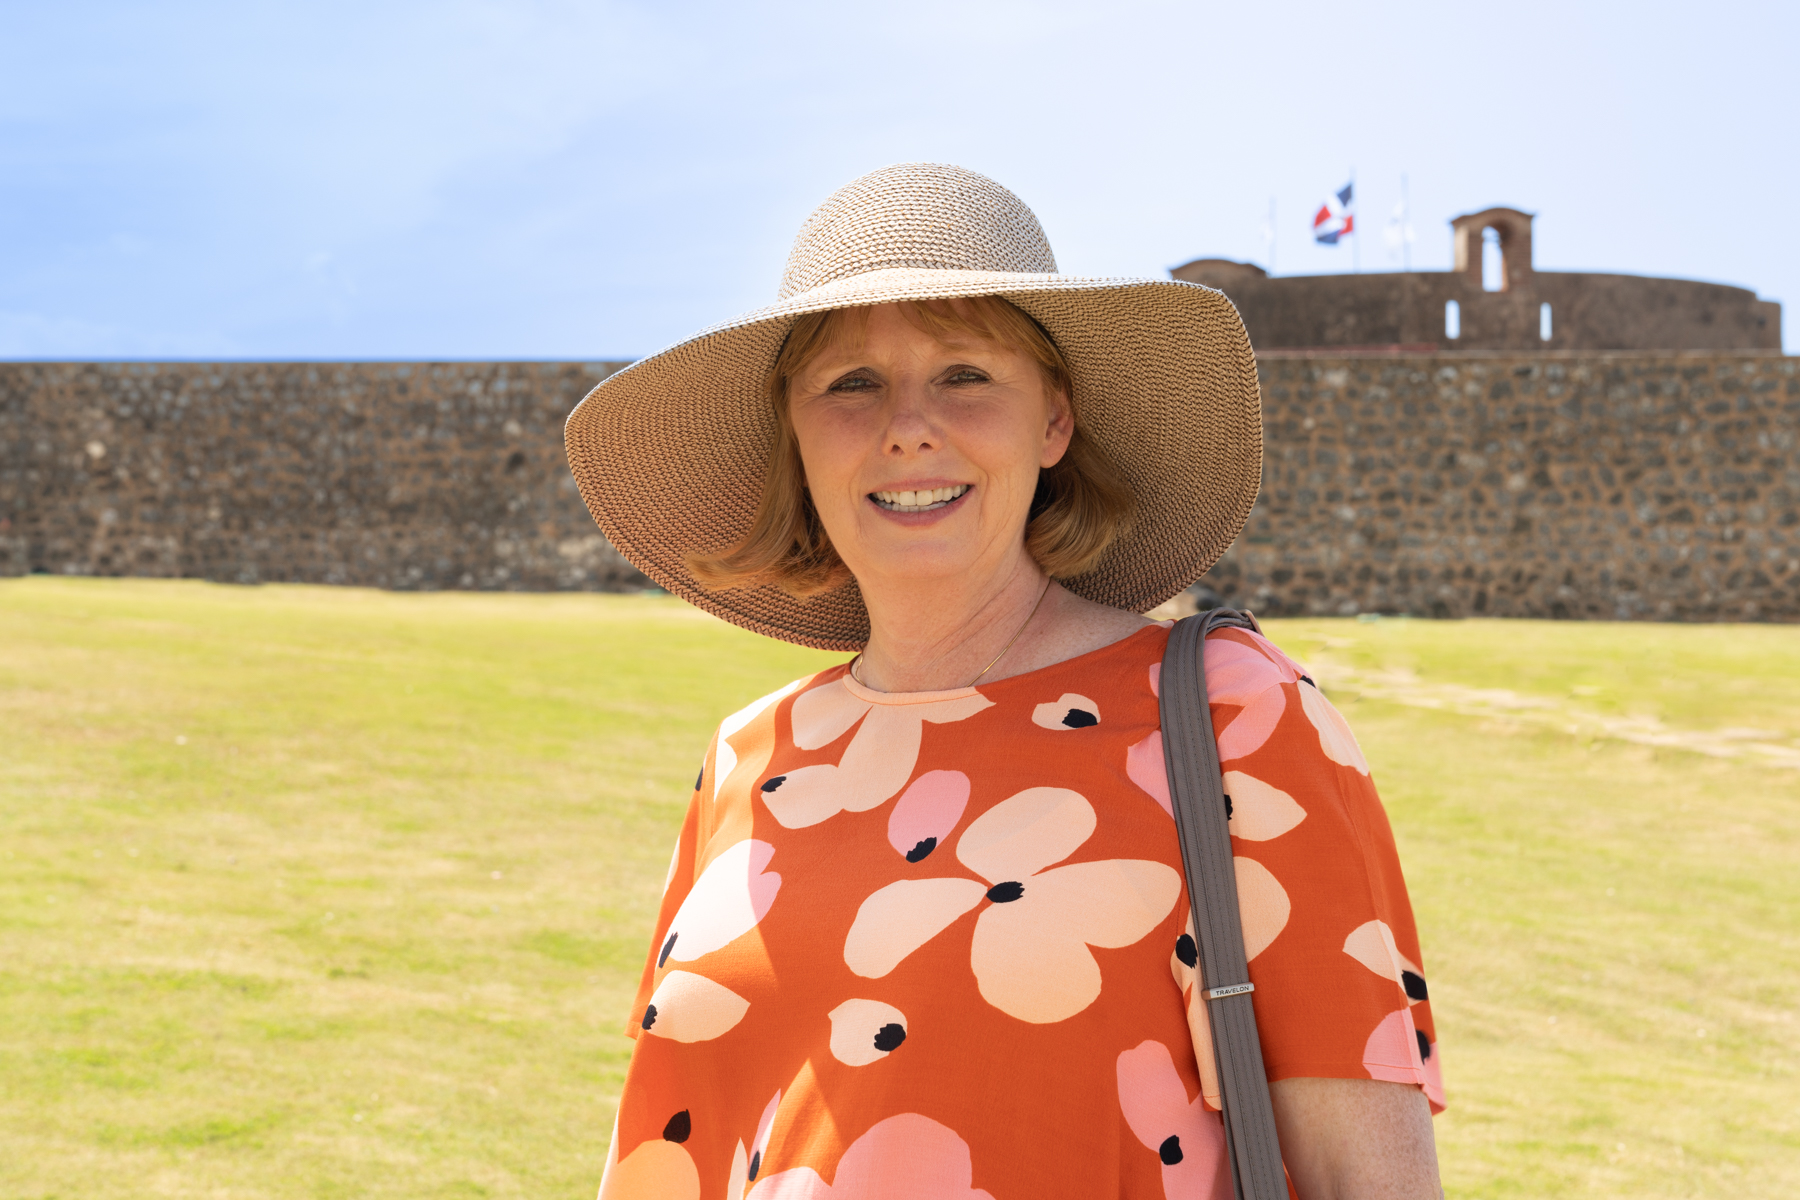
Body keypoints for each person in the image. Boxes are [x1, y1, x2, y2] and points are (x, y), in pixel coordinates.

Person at [565, 163, 1444, 1199]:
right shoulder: (745, 759)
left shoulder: (1233, 713)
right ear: (795, 442)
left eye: (965, 374)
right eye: (850, 383)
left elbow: (1364, 1177)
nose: (907, 425)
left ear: (1056, 423)